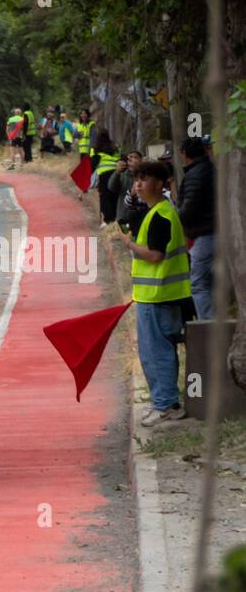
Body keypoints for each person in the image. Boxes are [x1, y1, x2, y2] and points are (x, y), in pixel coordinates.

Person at [117, 160, 191, 427]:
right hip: (155, 295)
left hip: (160, 296)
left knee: (157, 352)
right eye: (136, 178)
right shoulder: (155, 212)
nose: (138, 183)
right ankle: (162, 401)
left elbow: (156, 255)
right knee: (153, 352)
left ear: (160, 184)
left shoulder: (161, 214)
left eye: (144, 179)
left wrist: (129, 244)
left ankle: (166, 405)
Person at [176, 136, 216, 320]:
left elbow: (189, 208)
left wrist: (175, 218)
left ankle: (207, 325)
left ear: (184, 154)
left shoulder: (196, 174)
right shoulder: (209, 169)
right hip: (208, 232)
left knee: (199, 284)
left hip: (204, 234)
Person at [92, 129, 121, 227]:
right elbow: (120, 157)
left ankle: (108, 220)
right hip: (116, 173)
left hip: (104, 175)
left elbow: (92, 164)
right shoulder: (114, 147)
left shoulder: (96, 149)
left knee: (105, 197)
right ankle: (115, 218)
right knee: (115, 196)